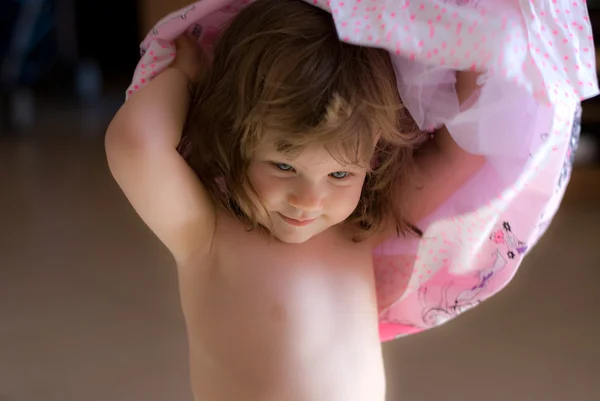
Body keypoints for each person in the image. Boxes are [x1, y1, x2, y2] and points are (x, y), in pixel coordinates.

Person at [105, 0, 485, 399]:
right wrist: (187, 76)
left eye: (340, 174)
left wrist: (477, 41)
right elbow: (136, 146)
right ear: (236, 140)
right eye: (284, 167)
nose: (309, 199)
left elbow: (461, 152)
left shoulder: (363, 226)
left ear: (373, 160)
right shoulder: (207, 233)